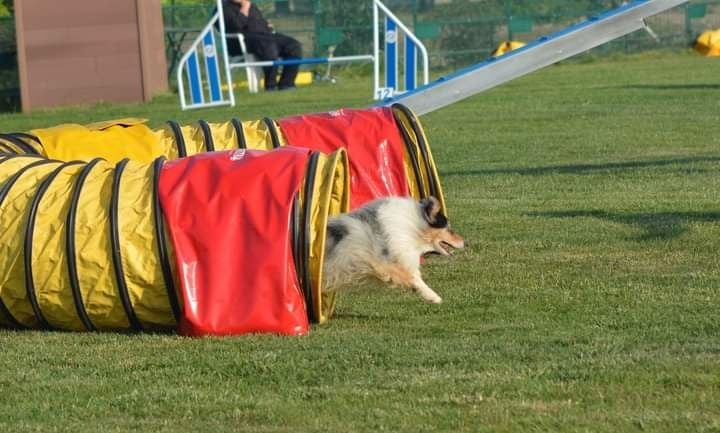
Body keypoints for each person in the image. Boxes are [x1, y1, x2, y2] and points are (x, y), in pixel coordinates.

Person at [222, 0, 302, 91]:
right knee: (268, 46)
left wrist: (266, 26)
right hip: (244, 41)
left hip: (265, 36)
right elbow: (238, 25)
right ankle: (271, 86)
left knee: (293, 45)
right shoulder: (224, 8)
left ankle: (287, 84)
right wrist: (245, 6)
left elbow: (258, 22)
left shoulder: (250, 5)